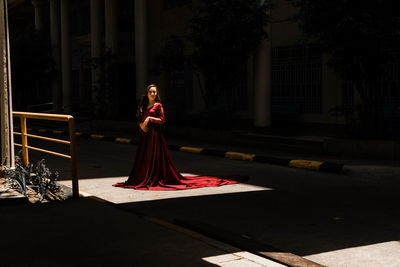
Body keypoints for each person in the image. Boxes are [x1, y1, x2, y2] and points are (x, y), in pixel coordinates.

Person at [113, 84, 245, 190]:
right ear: (147, 93)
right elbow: (139, 118)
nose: (153, 93)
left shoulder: (158, 105)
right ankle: (142, 177)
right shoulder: (143, 105)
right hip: (145, 136)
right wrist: (141, 124)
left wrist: (149, 118)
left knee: (153, 157)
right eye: (151, 91)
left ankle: (153, 178)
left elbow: (162, 120)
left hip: (154, 136)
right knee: (144, 157)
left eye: (155, 92)